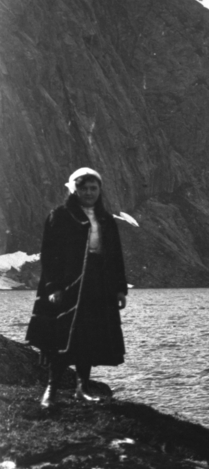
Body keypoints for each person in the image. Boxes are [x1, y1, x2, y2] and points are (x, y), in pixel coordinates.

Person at [26, 167, 128, 407]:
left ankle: (82, 387)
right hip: (67, 286)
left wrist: (119, 288)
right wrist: (53, 287)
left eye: (94, 188)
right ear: (74, 189)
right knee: (59, 337)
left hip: (97, 286)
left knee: (89, 336)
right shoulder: (60, 216)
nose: (89, 192)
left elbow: (115, 257)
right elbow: (49, 255)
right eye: (84, 188)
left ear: (100, 190)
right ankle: (50, 390)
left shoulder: (106, 219)